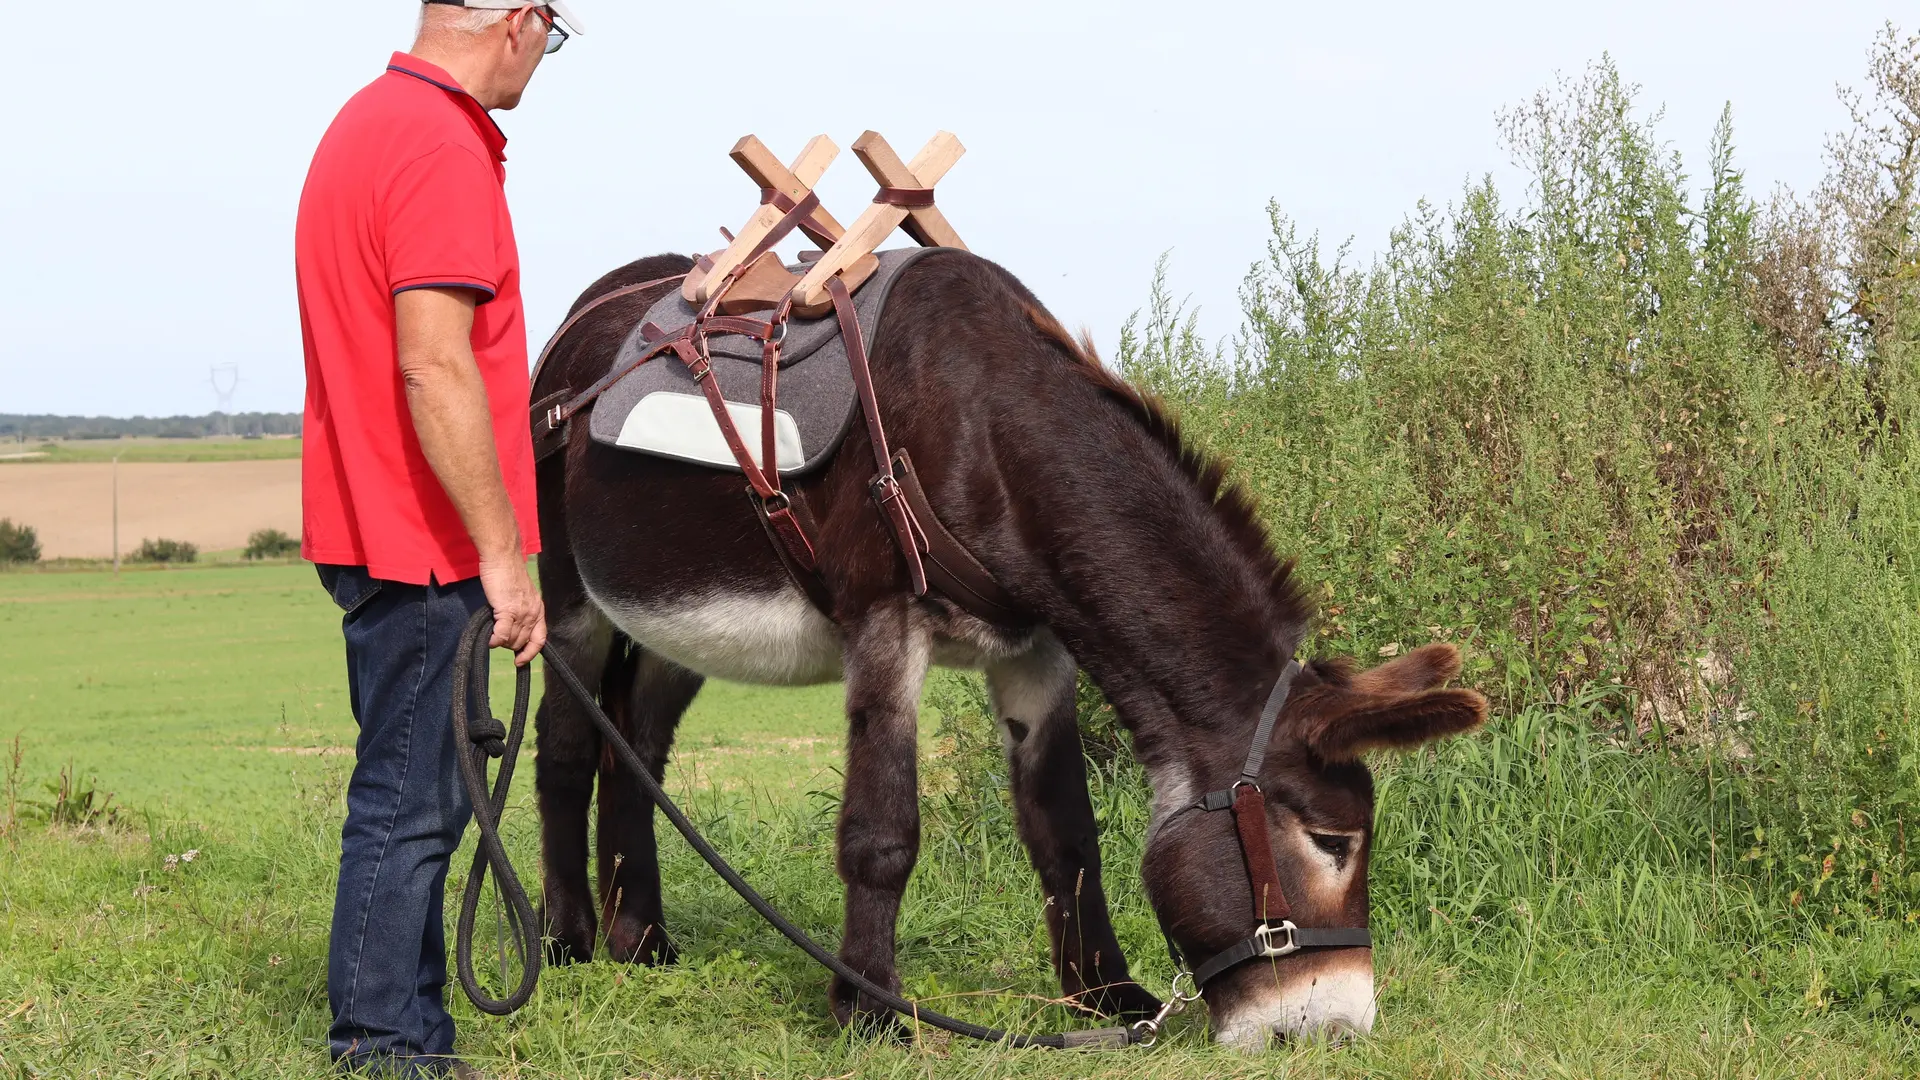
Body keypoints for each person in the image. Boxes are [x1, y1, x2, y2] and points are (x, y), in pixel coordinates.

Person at [294, 2, 584, 1074]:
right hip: (421, 539)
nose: (546, 60)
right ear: (518, 20)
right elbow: (434, 363)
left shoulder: (365, 123)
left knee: (421, 793)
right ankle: (379, 1043)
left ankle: (411, 1027)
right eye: (554, 36)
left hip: (367, 519)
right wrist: (504, 557)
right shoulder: (439, 143)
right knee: (409, 808)